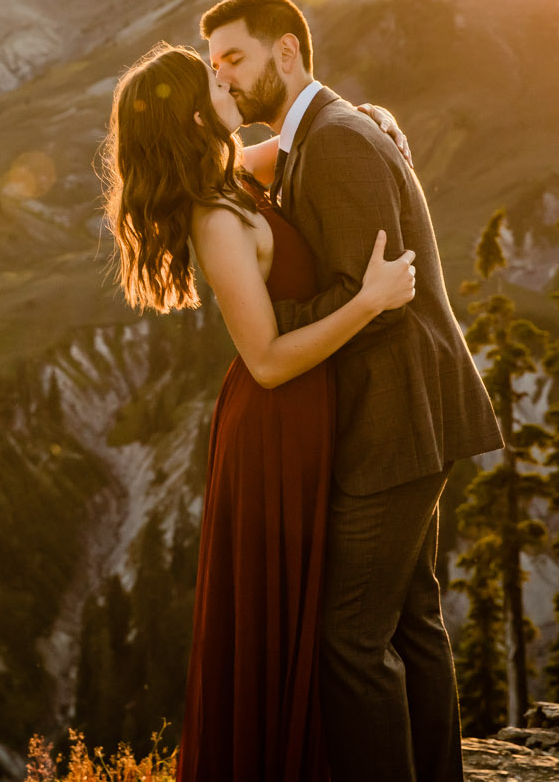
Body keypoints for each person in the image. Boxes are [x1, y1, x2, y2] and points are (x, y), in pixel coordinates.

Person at [201, 0, 503, 782]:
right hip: (405, 414)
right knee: (410, 623)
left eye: (234, 57)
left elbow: (376, 295)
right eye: (213, 64)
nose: (223, 76)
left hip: (393, 418)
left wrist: (266, 314)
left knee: (348, 638)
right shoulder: (316, 136)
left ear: (288, 52)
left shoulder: (333, 143)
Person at [100, 41, 417, 782]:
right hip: (276, 425)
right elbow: (268, 358)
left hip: (304, 416)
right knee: (286, 630)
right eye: (212, 77)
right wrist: (368, 301)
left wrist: (371, 118)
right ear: (191, 111)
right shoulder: (215, 219)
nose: (227, 81)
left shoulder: (234, 174)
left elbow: (309, 139)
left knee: (311, 620)